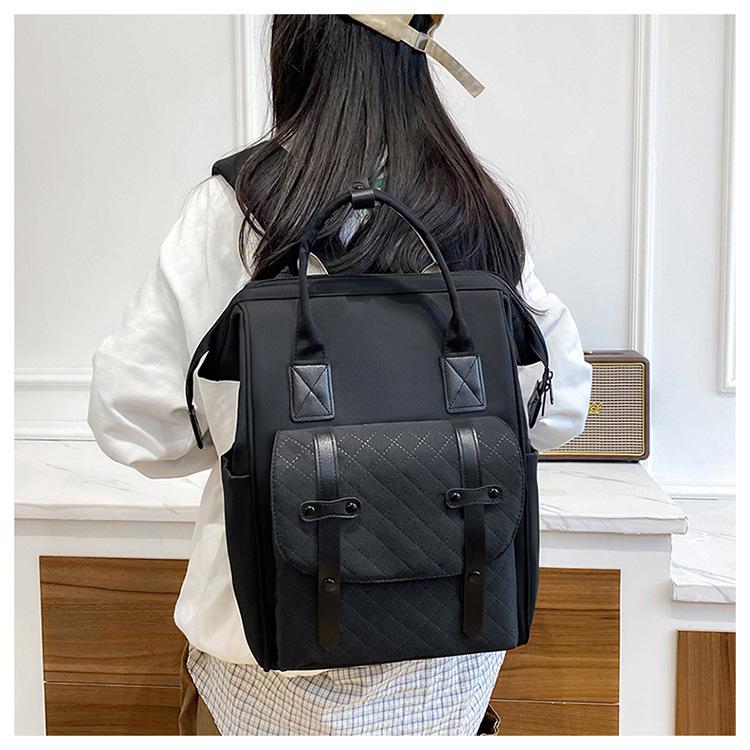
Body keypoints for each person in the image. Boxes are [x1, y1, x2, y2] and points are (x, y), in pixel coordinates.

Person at [88, 14, 592, 736]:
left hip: (264, 659)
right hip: (451, 649)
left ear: (297, 48)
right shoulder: (472, 207)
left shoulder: (236, 209)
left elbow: (134, 419)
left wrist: (251, 431)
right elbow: (560, 405)